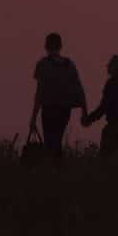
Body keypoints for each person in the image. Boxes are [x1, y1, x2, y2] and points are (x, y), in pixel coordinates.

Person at [30, 32, 87, 162]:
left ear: (46, 46)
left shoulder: (43, 64)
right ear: (60, 46)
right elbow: (79, 89)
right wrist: (84, 110)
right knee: (57, 140)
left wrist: (33, 117)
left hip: (49, 108)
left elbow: (39, 92)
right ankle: (57, 167)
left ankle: (52, 168)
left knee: (50, 141)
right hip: (64, 109)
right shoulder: (69, 64)